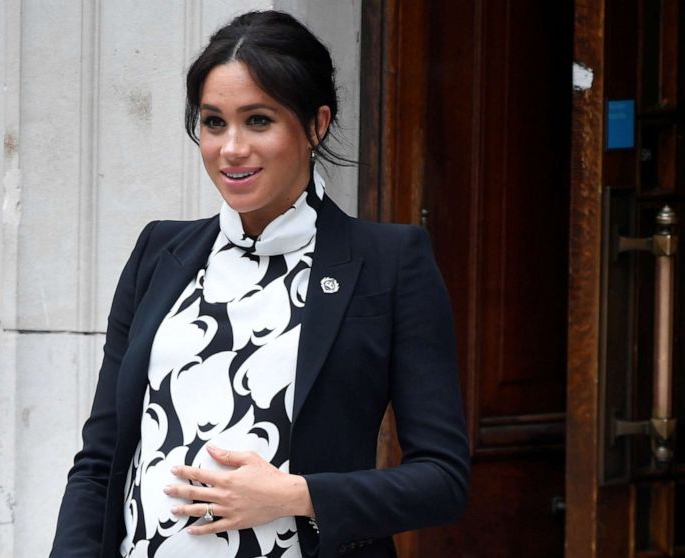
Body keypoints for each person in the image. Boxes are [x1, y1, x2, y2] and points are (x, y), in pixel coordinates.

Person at [50, 10, 469, 558]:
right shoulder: (159, 253)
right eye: (214, 122)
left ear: (316, 124)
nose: (231, 149)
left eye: (259, 121)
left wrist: (296, 495)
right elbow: (100, 461)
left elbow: (443, 481)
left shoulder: (389, 263)